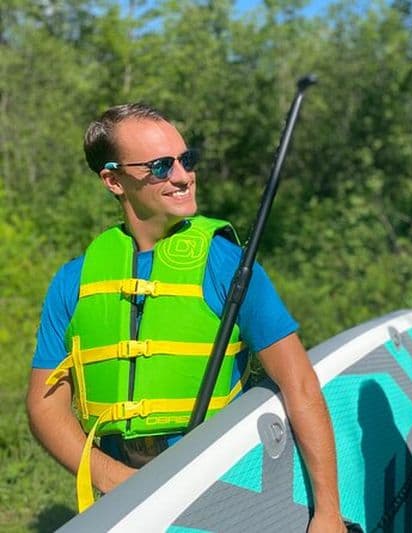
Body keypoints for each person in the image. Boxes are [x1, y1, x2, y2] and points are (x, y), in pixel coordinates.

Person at [26, 103, 346, 532]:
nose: (182, 176)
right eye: (160, 166)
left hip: (225, 484)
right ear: (113, 179)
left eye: (186, 159)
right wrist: (113, 478)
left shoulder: (227, 264)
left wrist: (327, 514)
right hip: (121, 494)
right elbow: (44, 406)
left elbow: (299, 384)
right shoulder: (75, 280)